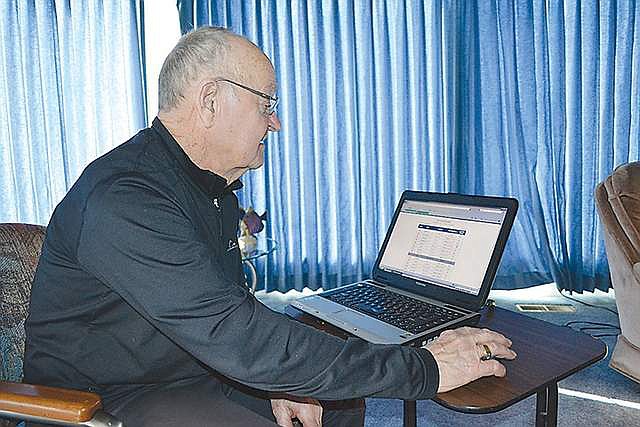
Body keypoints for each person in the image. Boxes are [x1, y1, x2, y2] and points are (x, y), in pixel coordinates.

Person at [23, 26, 516, 427]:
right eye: (267, 104)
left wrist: (283, 381)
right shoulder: (127, 198)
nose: (275, 124)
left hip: (188, 365)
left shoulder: (206, 187)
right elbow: (236, 336)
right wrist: (426, 369)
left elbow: (232, 313)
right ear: (211, 99)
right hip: (103, 397)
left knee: (339, 405)